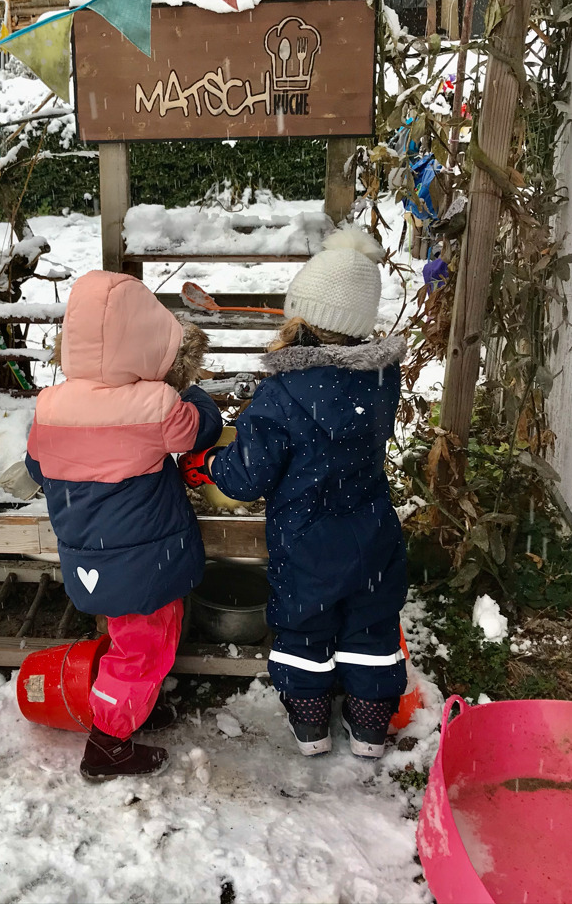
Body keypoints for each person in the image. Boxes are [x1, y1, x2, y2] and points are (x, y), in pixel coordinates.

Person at [179, 225, 408, 759]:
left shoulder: (280, 394)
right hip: (372, 532)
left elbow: (247, 478)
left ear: (303, 317)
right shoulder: (381, 379)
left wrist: (211, 462)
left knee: (305, 631)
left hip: (307, 541)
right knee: (371, 628)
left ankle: (312, 729)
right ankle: (370, 731)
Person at [25, 270, 222, 782]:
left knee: (127, 638)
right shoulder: (155, 405)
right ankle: (108, 744)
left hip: (89, 554)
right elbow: (199, 430)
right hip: (146, 561)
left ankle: (129, 705)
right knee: (144, 648)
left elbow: (36, 467)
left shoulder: (51, 405)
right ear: (144, 340)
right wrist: (196, 395)